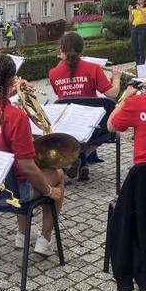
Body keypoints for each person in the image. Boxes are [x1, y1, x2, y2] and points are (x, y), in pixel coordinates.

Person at [0, 54, 64, 256]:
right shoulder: (16, 117)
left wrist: (10, 92)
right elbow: (27, 167)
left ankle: (23, 235)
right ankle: (44, 240)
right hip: (13, 193)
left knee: (22, 171)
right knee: (58, 175)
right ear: (12, 80)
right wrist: (48, 191)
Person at [48, 33, 121, 181]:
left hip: (67, 125)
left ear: (62, 50)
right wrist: (116, 77)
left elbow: (58, 94)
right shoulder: (93, 68)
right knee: (108, 129)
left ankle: (76, 160)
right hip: (91, 124)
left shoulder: (53, 73)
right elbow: (112, 94)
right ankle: (81, 156)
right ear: (81, 50)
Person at [129, 0, 146, 65]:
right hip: (134, 27)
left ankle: (141, 67)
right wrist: (130, 12)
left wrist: (141, 10)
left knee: (141, 49)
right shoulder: (135, 7)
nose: (138, 0)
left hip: (143, 27)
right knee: (135, 49)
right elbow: (131, 20)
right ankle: (137, 65)